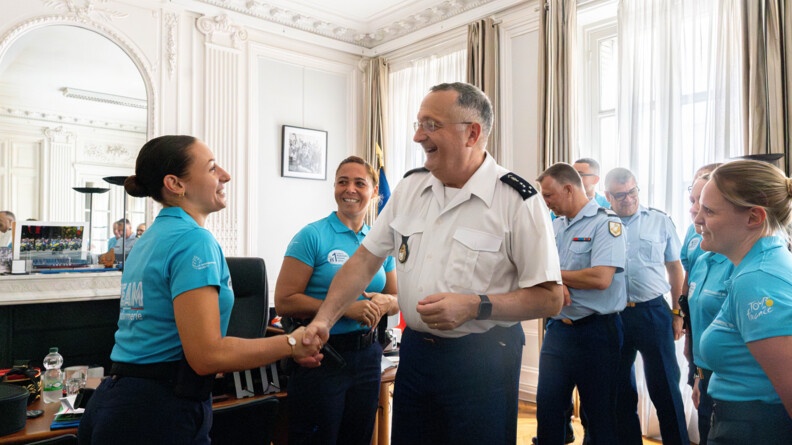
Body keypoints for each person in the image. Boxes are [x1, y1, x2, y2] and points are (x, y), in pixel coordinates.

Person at [303, 82, 563, 445]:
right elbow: (364, 260)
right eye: (417, 123)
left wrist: (476, 305)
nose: (416, 136)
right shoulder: (411, 188)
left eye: (430, 125)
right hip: (417, 355)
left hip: (484, 359)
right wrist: (323, 321)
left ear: (472, 133)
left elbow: (551, 297)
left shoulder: (517, 199)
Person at [78, 135, 322, 445]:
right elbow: (207, 355)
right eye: (211, 168)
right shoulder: (194, 240)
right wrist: (291, 342)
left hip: (117, 401)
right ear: (176, 184)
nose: (225, 175)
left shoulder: (148, 240)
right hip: (158, 413)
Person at [274, 156, 399, 445]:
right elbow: (284, 301)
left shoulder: (379, 241)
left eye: (359, 183)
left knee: (358, 437)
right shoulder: (312, 236)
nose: (350, 189)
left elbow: (396, 295)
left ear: (375, 191)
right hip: (322, 357)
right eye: (343, 182)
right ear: (334, 187)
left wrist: (385, 304)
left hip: (368, 356)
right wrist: (346, 308)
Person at [696, 160, 792, 444]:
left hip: (754, 430)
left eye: (709, 211)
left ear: (753, 217)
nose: (697, 218)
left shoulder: (757, 280)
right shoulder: (759, 264)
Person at [535, 163, 626, 445]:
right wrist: (556, 281)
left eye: (549, 195)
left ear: (568, 189)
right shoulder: (556, 225)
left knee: (599, 417)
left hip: (597, 332)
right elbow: (538, 268)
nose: (546, 202)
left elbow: (600, 277)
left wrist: (556, 277)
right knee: (548, 410)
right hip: (559, 329)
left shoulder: (606, 223)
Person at [605, 167, 688, 445]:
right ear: (608, 196)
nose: (628, 198)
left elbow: (675, 268)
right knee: (619, 391)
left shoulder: (659, 221)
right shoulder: (600, 223)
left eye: (632, 191)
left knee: (665, 388)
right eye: (620, 195)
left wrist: (678, 313)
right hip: (613, 315)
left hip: (653, 312)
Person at [684, 171, 732, 445]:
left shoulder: (750, 272)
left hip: (739, 392)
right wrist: (699, 375)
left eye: (705, 207)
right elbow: (701, 320)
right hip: (707, 374)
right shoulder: (703, 261)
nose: (694, 214)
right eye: (693, 202)